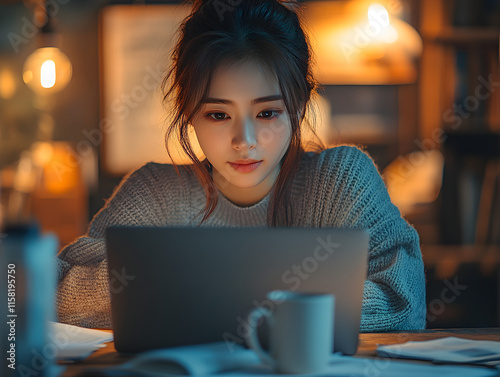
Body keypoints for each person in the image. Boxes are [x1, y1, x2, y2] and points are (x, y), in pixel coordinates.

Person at [56, 0, 426, 332]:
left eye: (267, 113)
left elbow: (403, 301)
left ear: (299, 108)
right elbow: (57, 291)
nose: (244, 141)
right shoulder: (155, 192)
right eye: (218, 114)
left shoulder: (341, 181)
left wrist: (210, 299)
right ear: (188, 113)